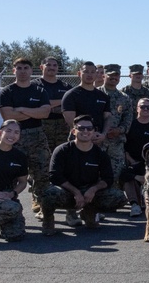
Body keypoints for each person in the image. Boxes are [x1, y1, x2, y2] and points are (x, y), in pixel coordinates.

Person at [41, 115, 127, 235]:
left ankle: (90, 211)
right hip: (67, 191)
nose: (85, 131)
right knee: (48, 193)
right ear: (73, 131)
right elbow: (54, 176)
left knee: (119, 197)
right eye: (81, 128)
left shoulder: (100, 154)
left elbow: (108, 179)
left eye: (89, 128)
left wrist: (93, 189)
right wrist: (76, 192)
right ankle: (48, 221)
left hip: (89, 194)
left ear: (93, 131)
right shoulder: (62, 150)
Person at [0, 58, 51, 218]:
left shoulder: (40, 91)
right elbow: (7, 115)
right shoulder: (7, 92)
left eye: (26, 68)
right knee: (10, 176)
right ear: (14, 71)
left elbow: (45, 113)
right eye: (19, 68)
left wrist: (21, 110)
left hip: (37, 137)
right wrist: (33, 111)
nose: (22, 71)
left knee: (42, 175)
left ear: (31, 71)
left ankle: (44, 209)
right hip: (14, 139)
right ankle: (8, 210)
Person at [100, 64, 133, 197]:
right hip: (98, 141)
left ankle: (110, 199)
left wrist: (119, 130)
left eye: (117, 75)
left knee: (115, 172)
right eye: (111, 75)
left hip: (116, 142)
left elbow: (128, 119)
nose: (114, 78)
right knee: (96, 171)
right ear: (104, 76)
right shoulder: (96, 94)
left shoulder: (124, 98)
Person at [61, 61, 111, 136]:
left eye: (93, 72)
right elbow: (71, 121)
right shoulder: (71, 95)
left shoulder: (103, 96)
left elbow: (107, 117)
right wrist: (89, 133)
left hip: (98, 138)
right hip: (79, 138)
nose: (89, 75)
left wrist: (103, 134)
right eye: (86, 72)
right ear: (79, 74)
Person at [35, 56, 72, 155]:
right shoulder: (34, 86)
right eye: (48, 65)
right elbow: (38, 105)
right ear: (41, 67)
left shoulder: (65, 86)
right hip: (41, 127)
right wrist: (63, 100)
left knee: (62, 155)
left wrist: (49, 104)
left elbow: (72, 104)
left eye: (55, 65)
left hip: (63, 128)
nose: (52, 67)